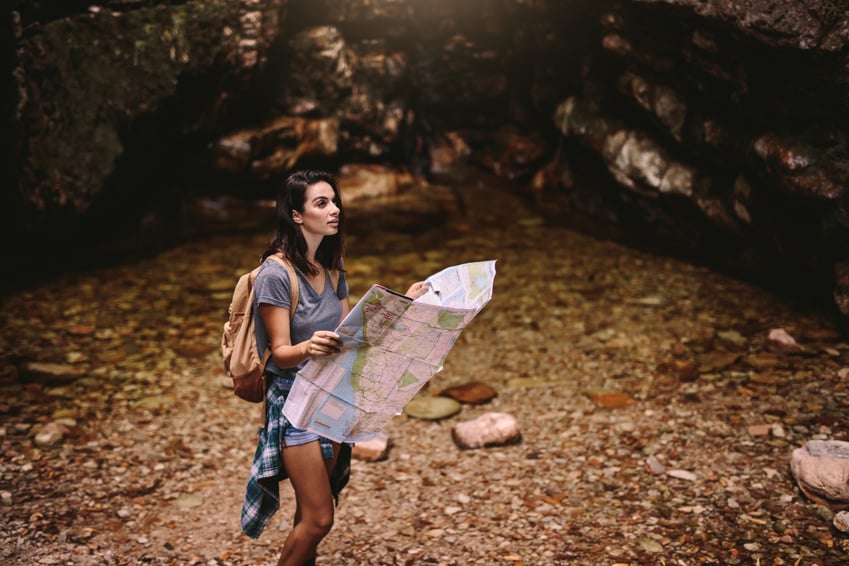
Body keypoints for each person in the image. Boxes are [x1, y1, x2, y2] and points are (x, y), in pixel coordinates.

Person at [240, 169, 426, 566]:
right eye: (321, 203)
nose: (335, 209)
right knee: (321, 519)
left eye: (334, 201)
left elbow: (350, 336)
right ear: (295, 215)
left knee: (310, 511)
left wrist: (402, 305)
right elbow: (279, 353)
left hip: (332, 394)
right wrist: (308, 346)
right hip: (294, 403)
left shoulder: (334, 266)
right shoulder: (276, 274)